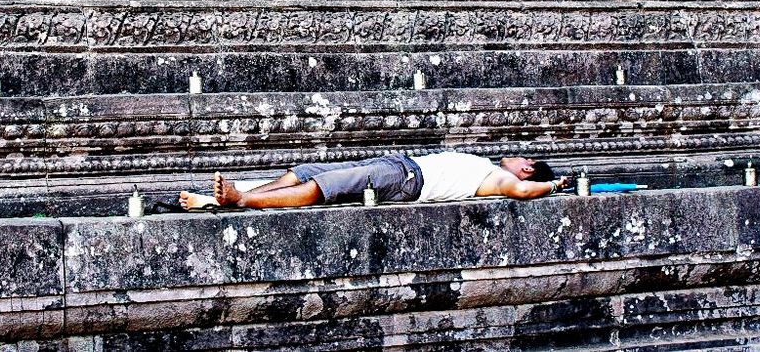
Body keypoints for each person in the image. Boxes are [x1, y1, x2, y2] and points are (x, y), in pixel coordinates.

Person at [178, 152, 569, 210]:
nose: (514, 157)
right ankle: (228, 198)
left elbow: (521, 192)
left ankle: (242, 199)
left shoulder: (503, 179)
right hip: (401, 164)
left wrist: (554, 186)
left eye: (522, 158)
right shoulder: (491, 167)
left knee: (329, 187)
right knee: (307, 173)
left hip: (407, 177)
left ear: (528, 167)